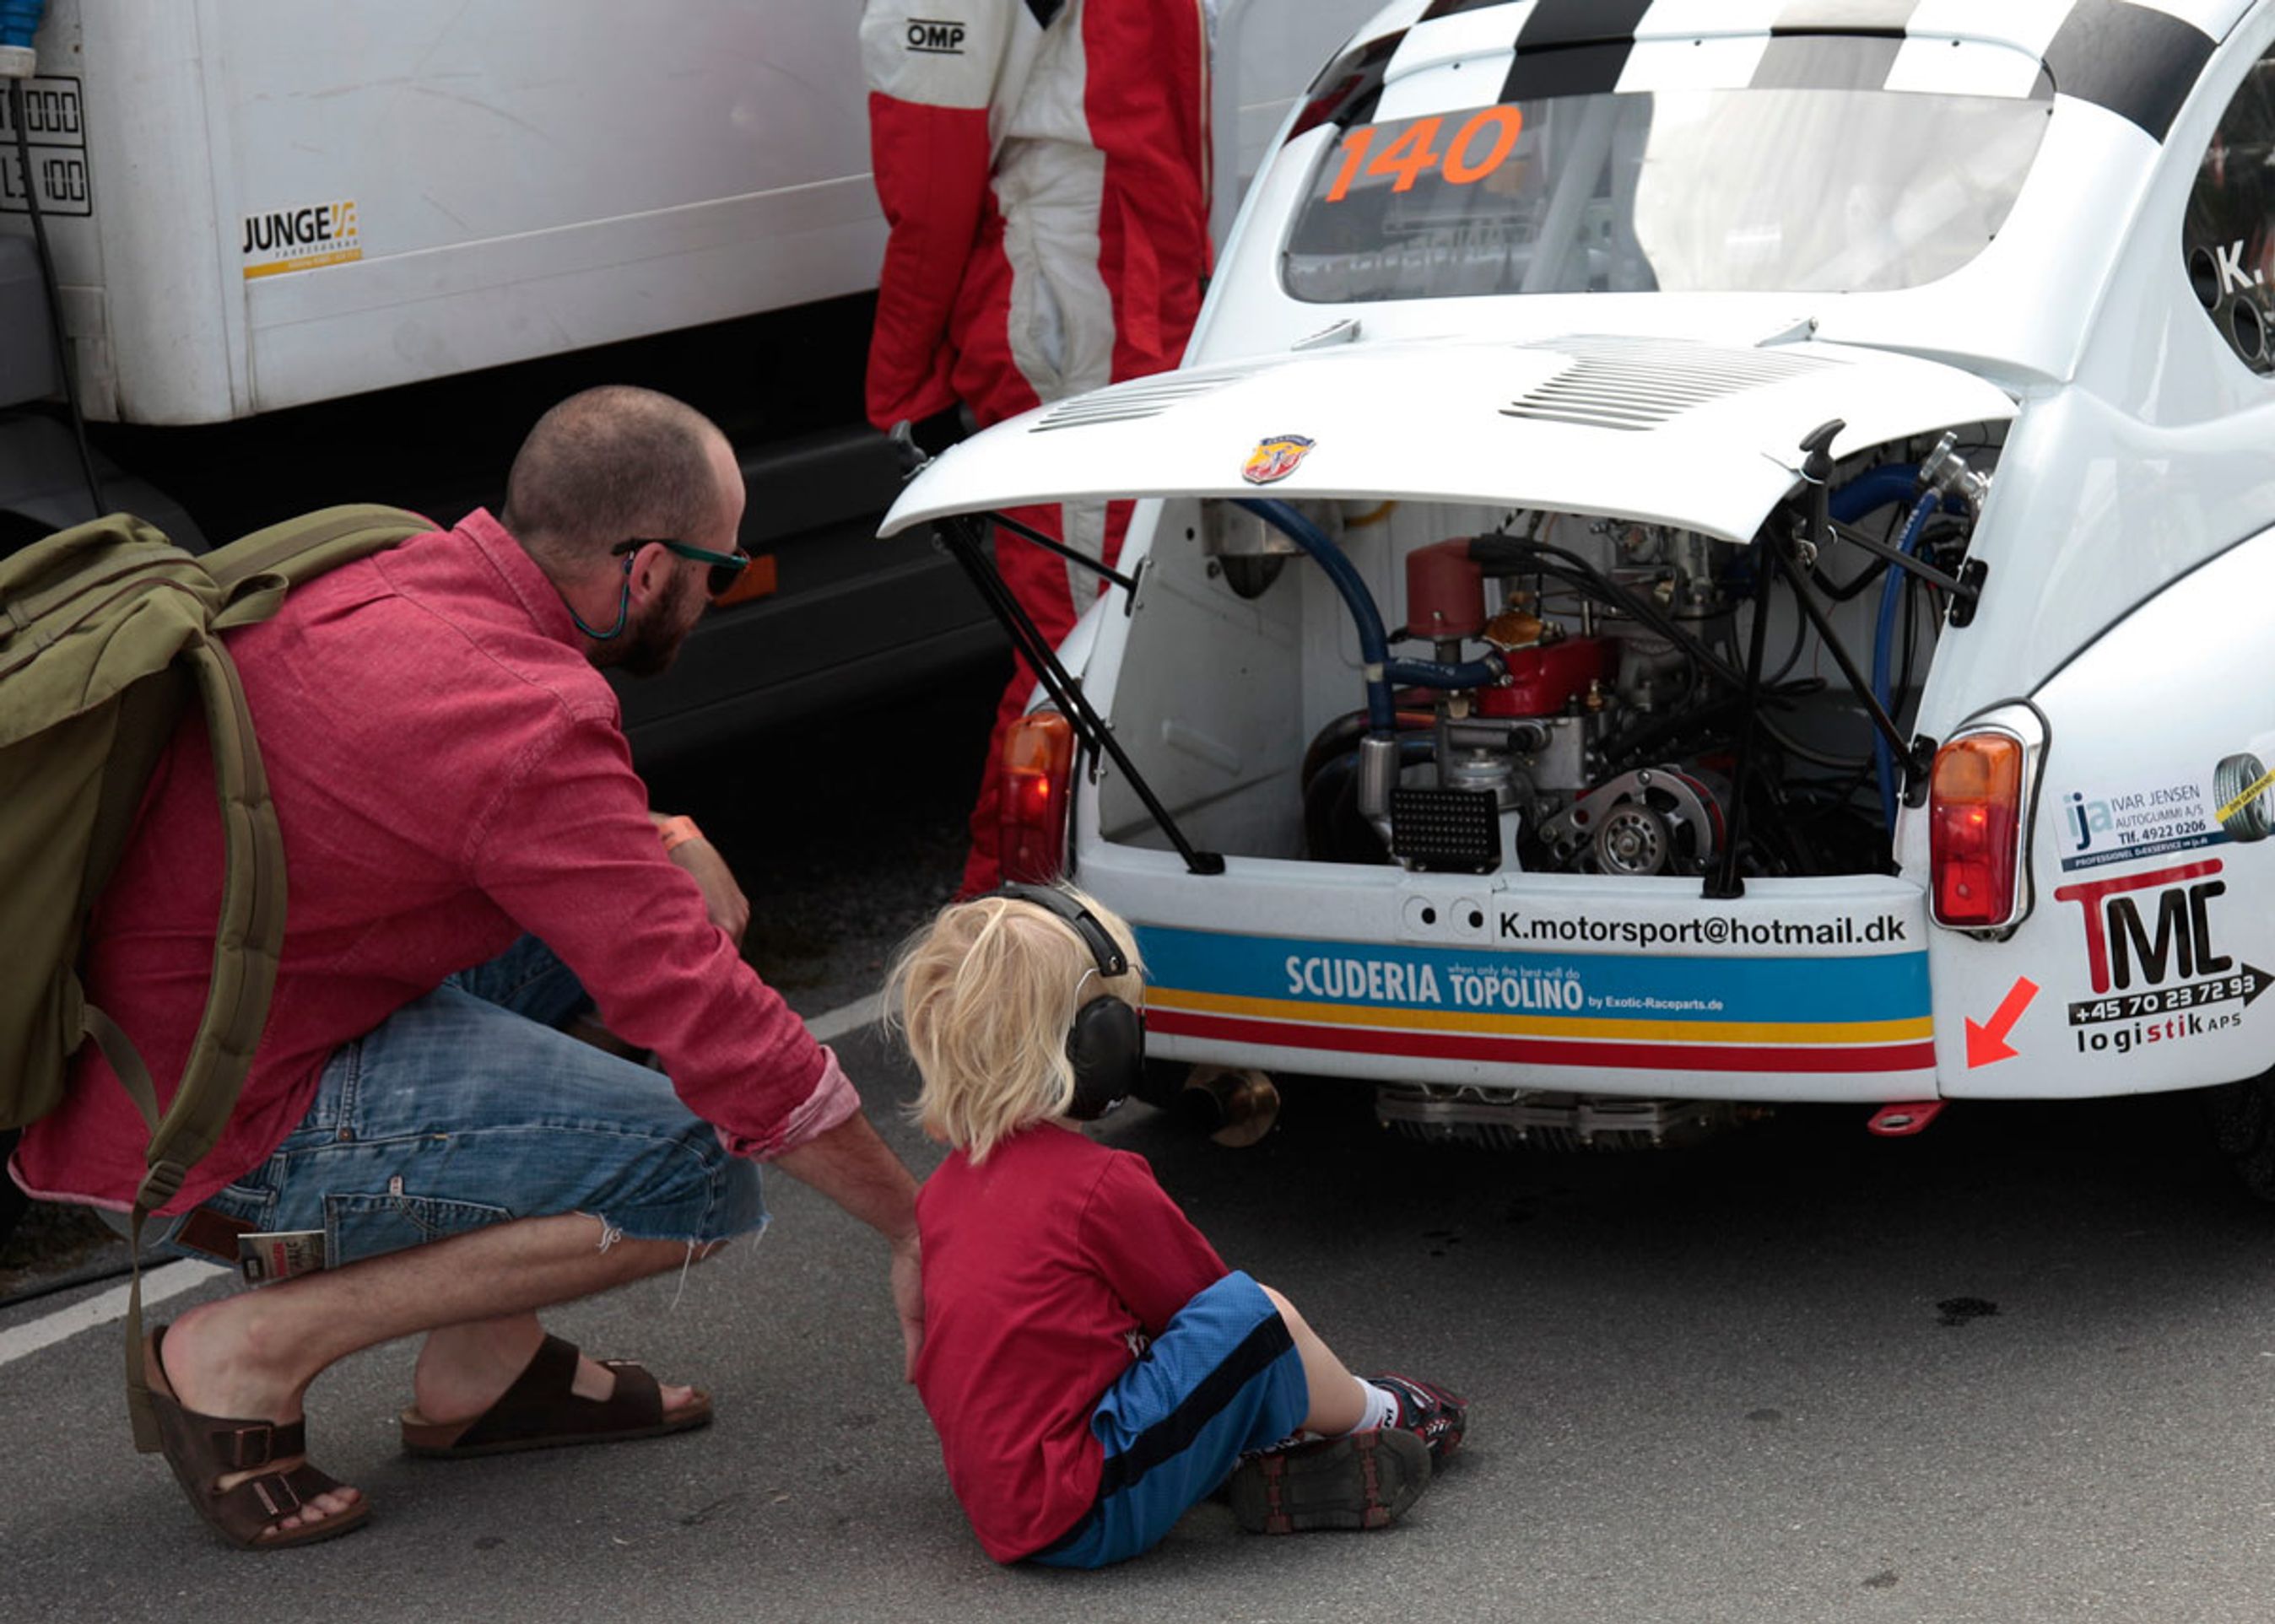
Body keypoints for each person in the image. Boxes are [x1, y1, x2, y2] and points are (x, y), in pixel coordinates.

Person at [6, 386, 925, 1550]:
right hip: (193, 1130)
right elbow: (726, 1040)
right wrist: (916, 1230)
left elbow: (460, 806)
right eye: (720, 570)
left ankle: (487, 1370)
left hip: (165, 1031)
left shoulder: (387, 556)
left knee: (618, 915)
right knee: (692, 1167)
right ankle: (240, 1354)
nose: (719, 591)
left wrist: (656, 838)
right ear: (643, 570)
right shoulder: (523, 717)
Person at [884, 884, 1467, 1566]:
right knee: (1257, 1313)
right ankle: (1381, 1415)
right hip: (1083, 1508)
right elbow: (1219, 1320)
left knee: (1176, 1346)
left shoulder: (944, 1189)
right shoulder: (1098, 1184)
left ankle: (1247, 1456)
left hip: (1003, 1497)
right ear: (1100, 1044)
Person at [859, 0, 1213, 896]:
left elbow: (930, 186)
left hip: (1077, 303)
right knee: (1095, 652)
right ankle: (1015, 959)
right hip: (1118, 298)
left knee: (1080, 656)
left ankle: (1005, 959)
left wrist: (903, 382)